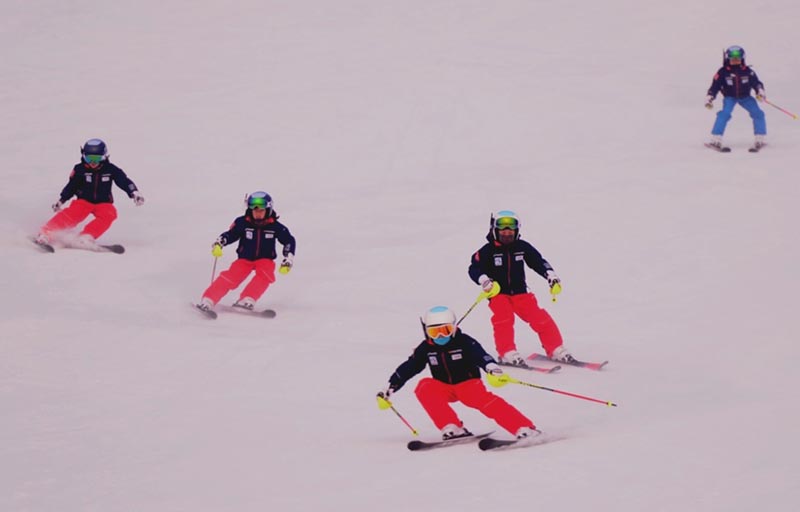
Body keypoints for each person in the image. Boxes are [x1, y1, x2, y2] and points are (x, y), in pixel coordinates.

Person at [377, 306, 537, 440]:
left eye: (446, 330)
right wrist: (390, 387)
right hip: (444, 386)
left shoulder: (464, 342)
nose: (440, 336)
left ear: (454, 327)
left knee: (487, 403)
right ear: (426, 331)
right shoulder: (426, 348)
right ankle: (452, 427)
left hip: (469, 386)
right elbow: (410, 366)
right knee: (424, 387)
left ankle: (523, 427)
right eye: (434, 332)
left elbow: (481, 355)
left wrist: (492, 368)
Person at [467, 210, 573, 366]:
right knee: (504, 319)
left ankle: (555, 348)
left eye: (511, 230)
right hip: (498, 294)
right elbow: (474, 268)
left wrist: (550, 275)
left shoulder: (522, 247)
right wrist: (484, 280)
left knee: (540, 318)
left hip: (520, 293)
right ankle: (506, 352)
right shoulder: (487, 250)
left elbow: (537, 261)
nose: (507, 233)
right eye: (503, 230)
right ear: (494, 230)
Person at [197, 191, 296, 312]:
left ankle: (247, 299)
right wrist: (220, 242)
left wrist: (288, 257)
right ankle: (209, 299)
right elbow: (231, 234)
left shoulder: (275, 227)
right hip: (245, 258)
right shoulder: (243, 223)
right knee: (231, 277)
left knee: (266, 274)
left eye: (261, 211)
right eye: (255, 211)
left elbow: (289, 240)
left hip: (265, 258)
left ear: (268, 210)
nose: (257, 214)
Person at [35, 138, 144, 247]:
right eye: (89, 158)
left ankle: (85, 237)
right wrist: (61, 200)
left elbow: (124, 181)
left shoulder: (111, 169)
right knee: (72, 215)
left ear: (104, 156)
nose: (92, 162)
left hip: (103, 202)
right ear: (83, 156)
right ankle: (46, 233)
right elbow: (71, 186)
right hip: (84, 201)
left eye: (97, 159)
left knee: (109, 214)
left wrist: (134, 192)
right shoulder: (80, 169)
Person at [705, 45, 767, 150]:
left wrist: (759, 91)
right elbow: (715, 86)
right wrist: (710, 96)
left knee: (758, 113)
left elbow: (756, 83)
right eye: (732, 58)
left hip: (745, 97)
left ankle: (760, 138)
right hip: (730, 97)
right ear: (727, 59)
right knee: (724, 114)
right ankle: (716, 139)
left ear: (742, 58)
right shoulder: (723, 72)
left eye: (738, 58)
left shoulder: (748, 71)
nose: (735, 60)